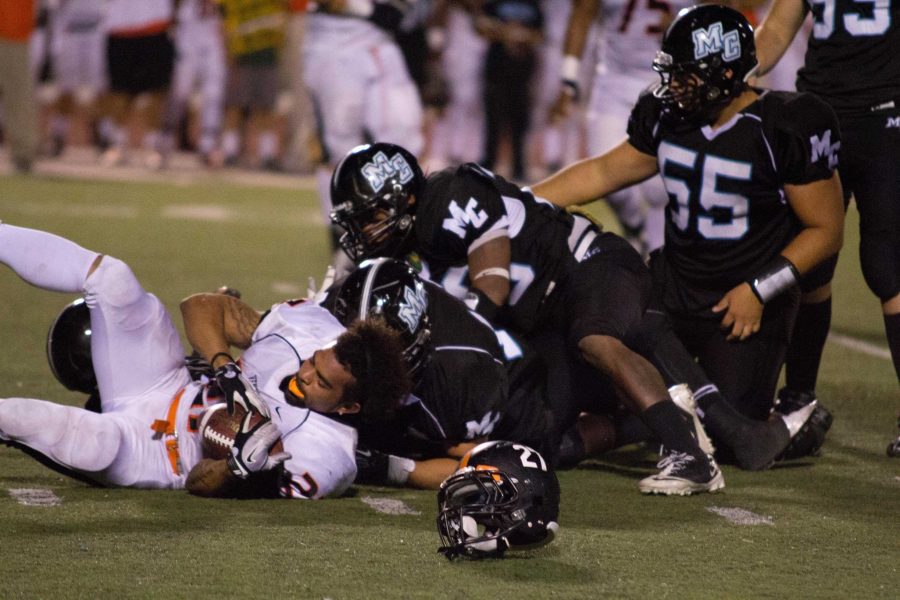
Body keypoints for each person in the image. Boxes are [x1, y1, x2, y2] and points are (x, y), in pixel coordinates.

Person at [329, 142, 734, 495]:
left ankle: (691, 458)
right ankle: (655, 418)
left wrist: (466, 355)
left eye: (368, 216)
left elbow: (492, 287)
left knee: (593, 337)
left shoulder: (447, 195)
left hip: (587, 265)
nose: (362, 231)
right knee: (539, 444)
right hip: (545, 321)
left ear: (402, 199)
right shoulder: (408, 252)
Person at [533, 5, 844, 425]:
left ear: (726, 75)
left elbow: (826, 231)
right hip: (675, 288)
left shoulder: (783, 126)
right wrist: (521, 199)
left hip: (743, 299)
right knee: (606, 386)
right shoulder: (668, 117)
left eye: (686, 74)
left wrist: (758, 289)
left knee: (724, 423)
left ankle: (794, 422)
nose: (673, 85)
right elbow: (603, 171)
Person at [0, 222, 410, 499]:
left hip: (159, 453)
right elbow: (200, 307)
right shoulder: (311, 328)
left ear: (348, 406)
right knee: (114, 278)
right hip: (165, 382)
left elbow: (199, 485)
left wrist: (239, 470)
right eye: (314, 360)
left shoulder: (326, 458)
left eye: (321, 381)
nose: (305, 372)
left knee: (85, 442)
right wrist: (225, 368)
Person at [754, 0, 900, 403]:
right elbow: (777, 31)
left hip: (886, 116)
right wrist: (736, 65)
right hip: (819, 115)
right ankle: (799, 401)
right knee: (808, 262)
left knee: (887, 263)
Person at [321, 257, 556, 490]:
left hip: (516, 393)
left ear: (418, 342)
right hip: (427, 393)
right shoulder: (331, 311)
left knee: (528, 463)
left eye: (383, 361)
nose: (371, 371)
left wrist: (386, 466)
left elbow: (473, 466)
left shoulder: (459, 373)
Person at [550, 0, 695, 256]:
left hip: (673, 85)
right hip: (613, 84)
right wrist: (568, 80)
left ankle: (657, 257)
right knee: (607, 175)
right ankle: (634, 225)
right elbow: (583, 13)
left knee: (660, 190)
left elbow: (720, 14)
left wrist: (685, 28)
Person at [303, 0, 425, 265]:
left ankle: (403, 240)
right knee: (338, 149)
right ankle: (344, 242)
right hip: (333, 46)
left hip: (381, 43)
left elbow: (397, 15)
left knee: (405, 143)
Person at [0, 0, 39, 173]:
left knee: (19, 96)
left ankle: (23, 154)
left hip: (13, 30)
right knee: (19, 95)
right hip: (14, 29)